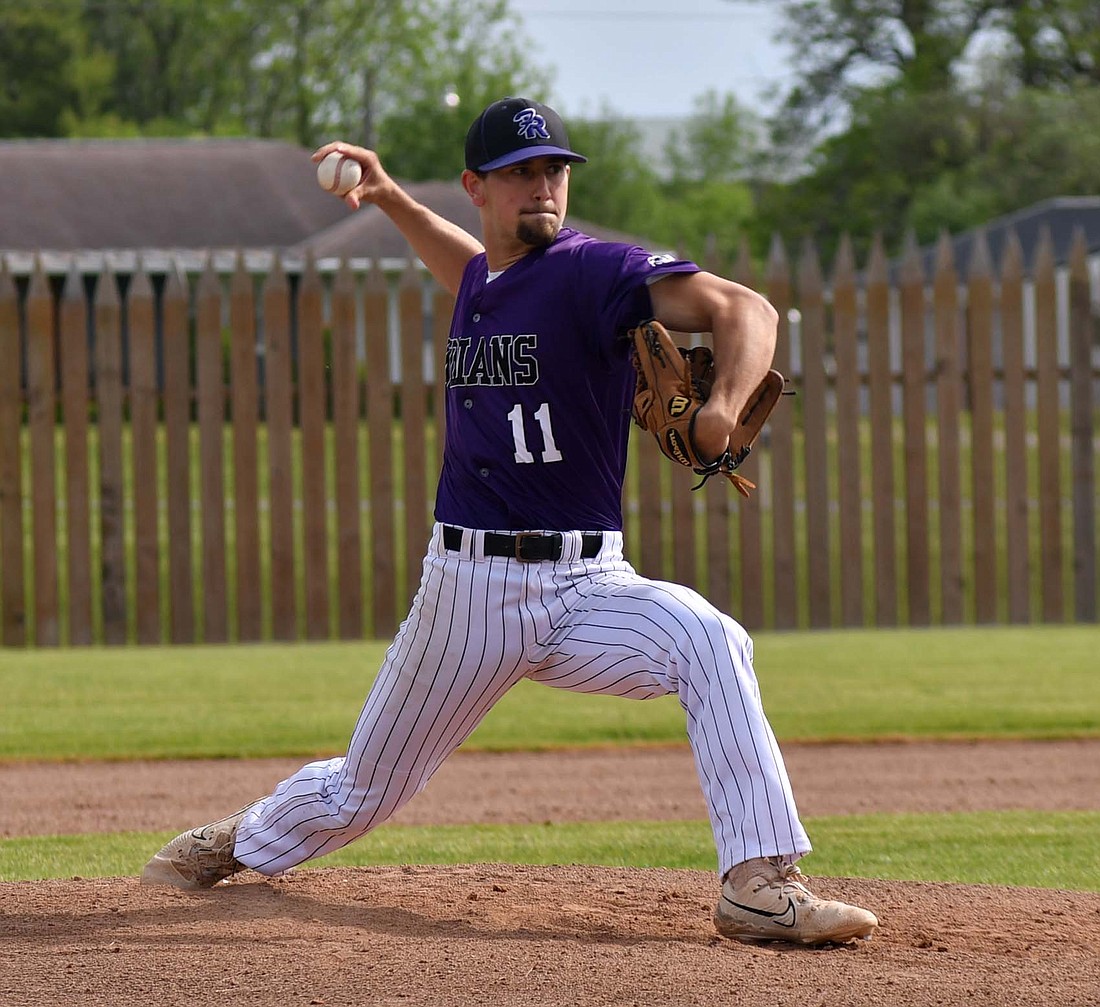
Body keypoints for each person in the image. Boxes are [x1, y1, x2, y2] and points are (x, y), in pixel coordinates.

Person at [141, 97, 878, 946]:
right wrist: (387, 197)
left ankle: (758, 883)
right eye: (520, 173)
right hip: (468, 591)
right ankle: (236, 841)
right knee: (363, 790)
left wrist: (721, 405)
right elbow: (461, 264)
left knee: (712, 640)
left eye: (553, 170)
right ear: (476, 188)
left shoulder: (595, 272)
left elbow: (747, 308)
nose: (542, 186)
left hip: (589, 581)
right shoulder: (487, 282)